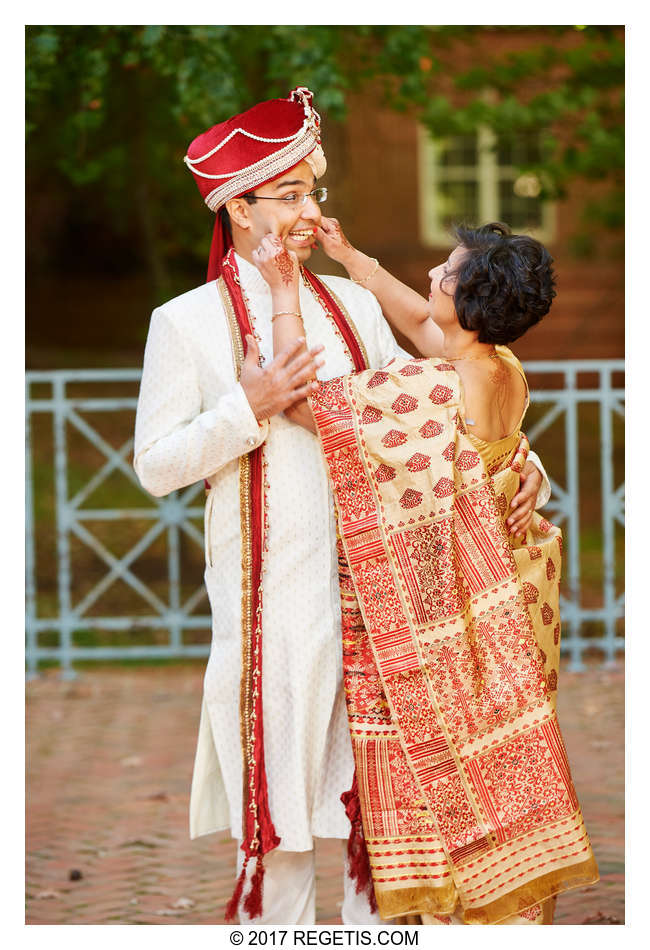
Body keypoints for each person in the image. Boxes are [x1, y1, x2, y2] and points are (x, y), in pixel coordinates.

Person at [133, 87, 550, 925]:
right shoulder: (185, 325)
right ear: (238, 207)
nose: (305, 211)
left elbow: (433, 409)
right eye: (286, 195)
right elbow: (154, 466)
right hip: (271, 608)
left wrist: (519, 457)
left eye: (311, 191)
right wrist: (243, 410)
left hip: (379, 607)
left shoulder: (354, 305)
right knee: (279, 832)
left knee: (378, 828)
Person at [253, 220, 598, 924]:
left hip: (458, 623)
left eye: (445, 272)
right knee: (500, 762)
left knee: (450, 770)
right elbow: (421, 322)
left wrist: (284, 291)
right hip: (514, 605)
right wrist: (352, 258)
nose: (433, 280)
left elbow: (297, 400)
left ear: (468, 299)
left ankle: (462, 915)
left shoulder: (433, 393)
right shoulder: (500, 368)